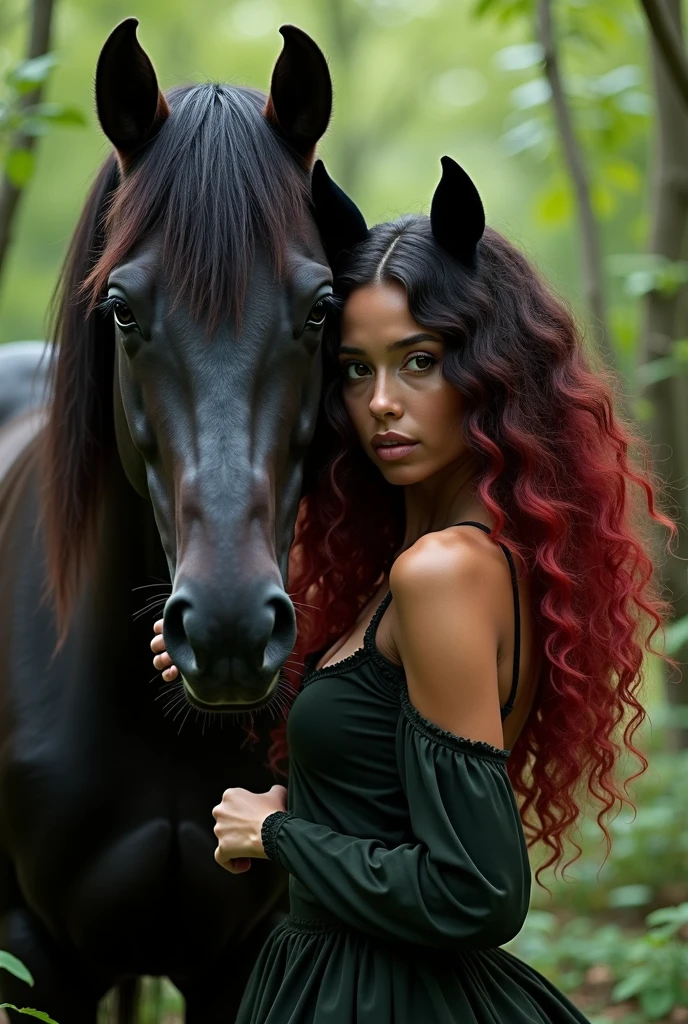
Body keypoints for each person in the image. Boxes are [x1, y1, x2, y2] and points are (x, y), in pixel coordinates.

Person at [150, 157, 676, 1022]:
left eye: (419, 361)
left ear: (491, 370)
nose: (382, 402)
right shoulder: (436, 566)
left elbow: (476, 891)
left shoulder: (441, 575)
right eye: (355, 370)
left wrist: (278, 835)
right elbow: (388, 793)